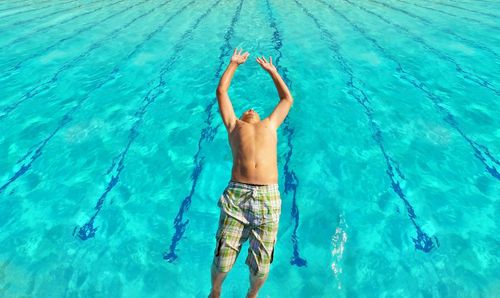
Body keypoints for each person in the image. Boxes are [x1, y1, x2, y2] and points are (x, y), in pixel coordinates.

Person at [209, 48, 294, 298]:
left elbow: (287, 100)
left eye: (254, 110)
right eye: (247, 110)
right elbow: (221, 92)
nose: (250, 109)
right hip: (237, 194)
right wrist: (233, 64)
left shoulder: (270, 124)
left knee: (261, 266)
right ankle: (215, 290)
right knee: (223, 258)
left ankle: (252, 294)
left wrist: (273, 72)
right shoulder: (234, 126)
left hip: (268, 197)